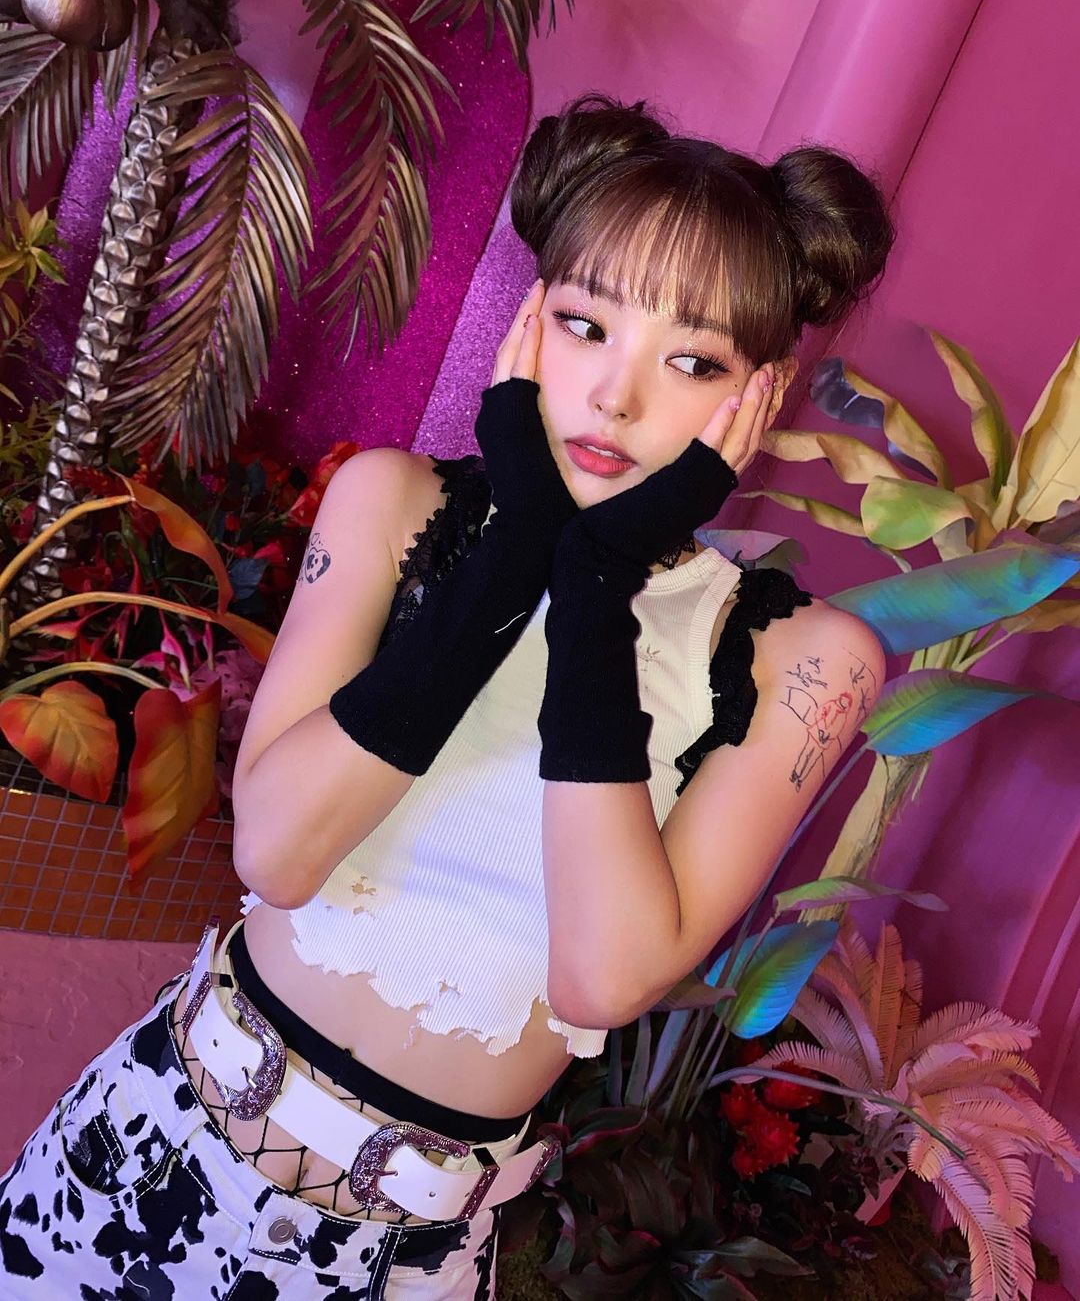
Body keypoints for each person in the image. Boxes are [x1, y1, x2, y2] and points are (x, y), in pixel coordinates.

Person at [0, 91, 895, 1298]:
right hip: (149, 1144)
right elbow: (277, 853)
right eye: (586, 325)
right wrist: (514, 552)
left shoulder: (802, 659)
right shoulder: (394, 504)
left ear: (761, 394)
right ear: (531, 322)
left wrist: (595, 583)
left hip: (397, 1258)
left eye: (691, 361)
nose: (616, 397)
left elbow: (604, 976)